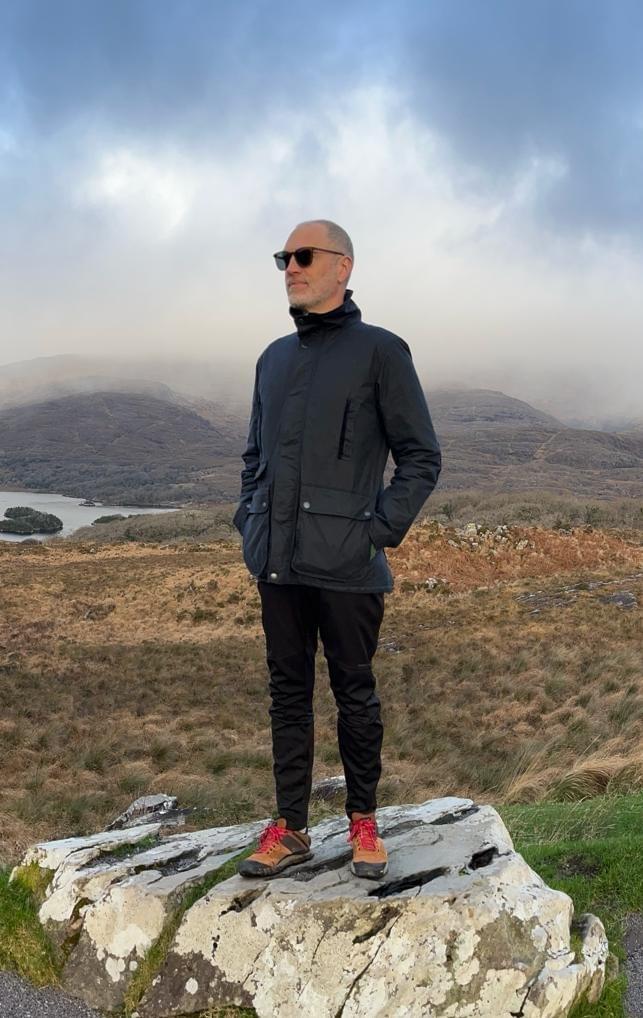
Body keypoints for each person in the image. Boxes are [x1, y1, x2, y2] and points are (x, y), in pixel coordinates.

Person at [232, 219, 442, 880]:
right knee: (287, 694)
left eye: (302, 256)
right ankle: (290, 827)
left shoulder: (381, 351)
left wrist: (375, 532)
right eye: (283, 259)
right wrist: (249, 519)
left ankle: (363, 821)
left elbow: (421, 456)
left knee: (355, 692)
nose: (290, 268)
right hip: (277, 560)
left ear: (342, 266)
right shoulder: (273, 358)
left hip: (349, 563)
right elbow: (254, 457)